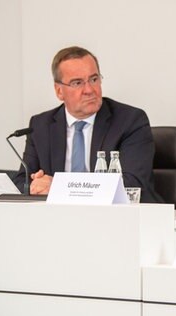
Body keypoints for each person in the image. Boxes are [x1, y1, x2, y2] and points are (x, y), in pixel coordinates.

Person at [13, 46, 162, 203]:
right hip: (59, 220)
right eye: (77, 83)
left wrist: (58, 187)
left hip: (119, 219)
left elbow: (133, 184)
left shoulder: (130, 121)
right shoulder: (41, 125)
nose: (89, 90)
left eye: (94, 79)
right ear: (59, 91)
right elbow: (21, 180)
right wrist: (35, 184)